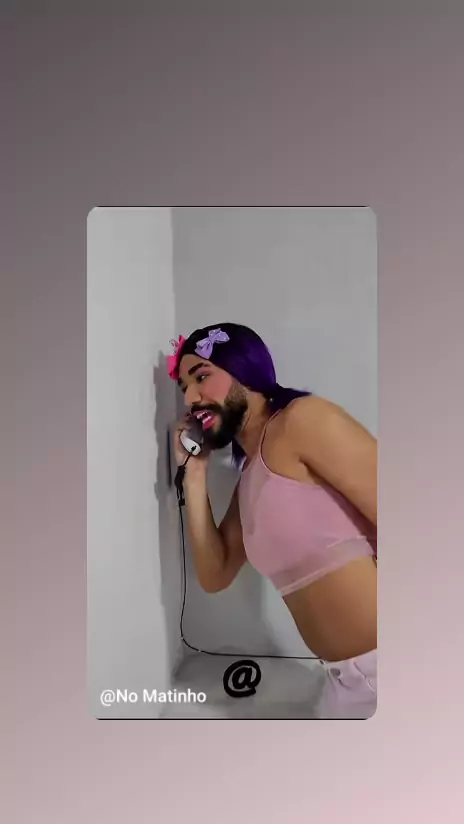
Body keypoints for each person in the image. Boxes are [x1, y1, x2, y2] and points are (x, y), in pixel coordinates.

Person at [167, 323, 377, 719]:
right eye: (184, 388)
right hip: (343, 683)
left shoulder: (303, 420)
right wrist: (195, 475)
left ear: (244, 370)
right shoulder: (250, 480)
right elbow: (215, 575)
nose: (192, 398)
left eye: (201, 377)